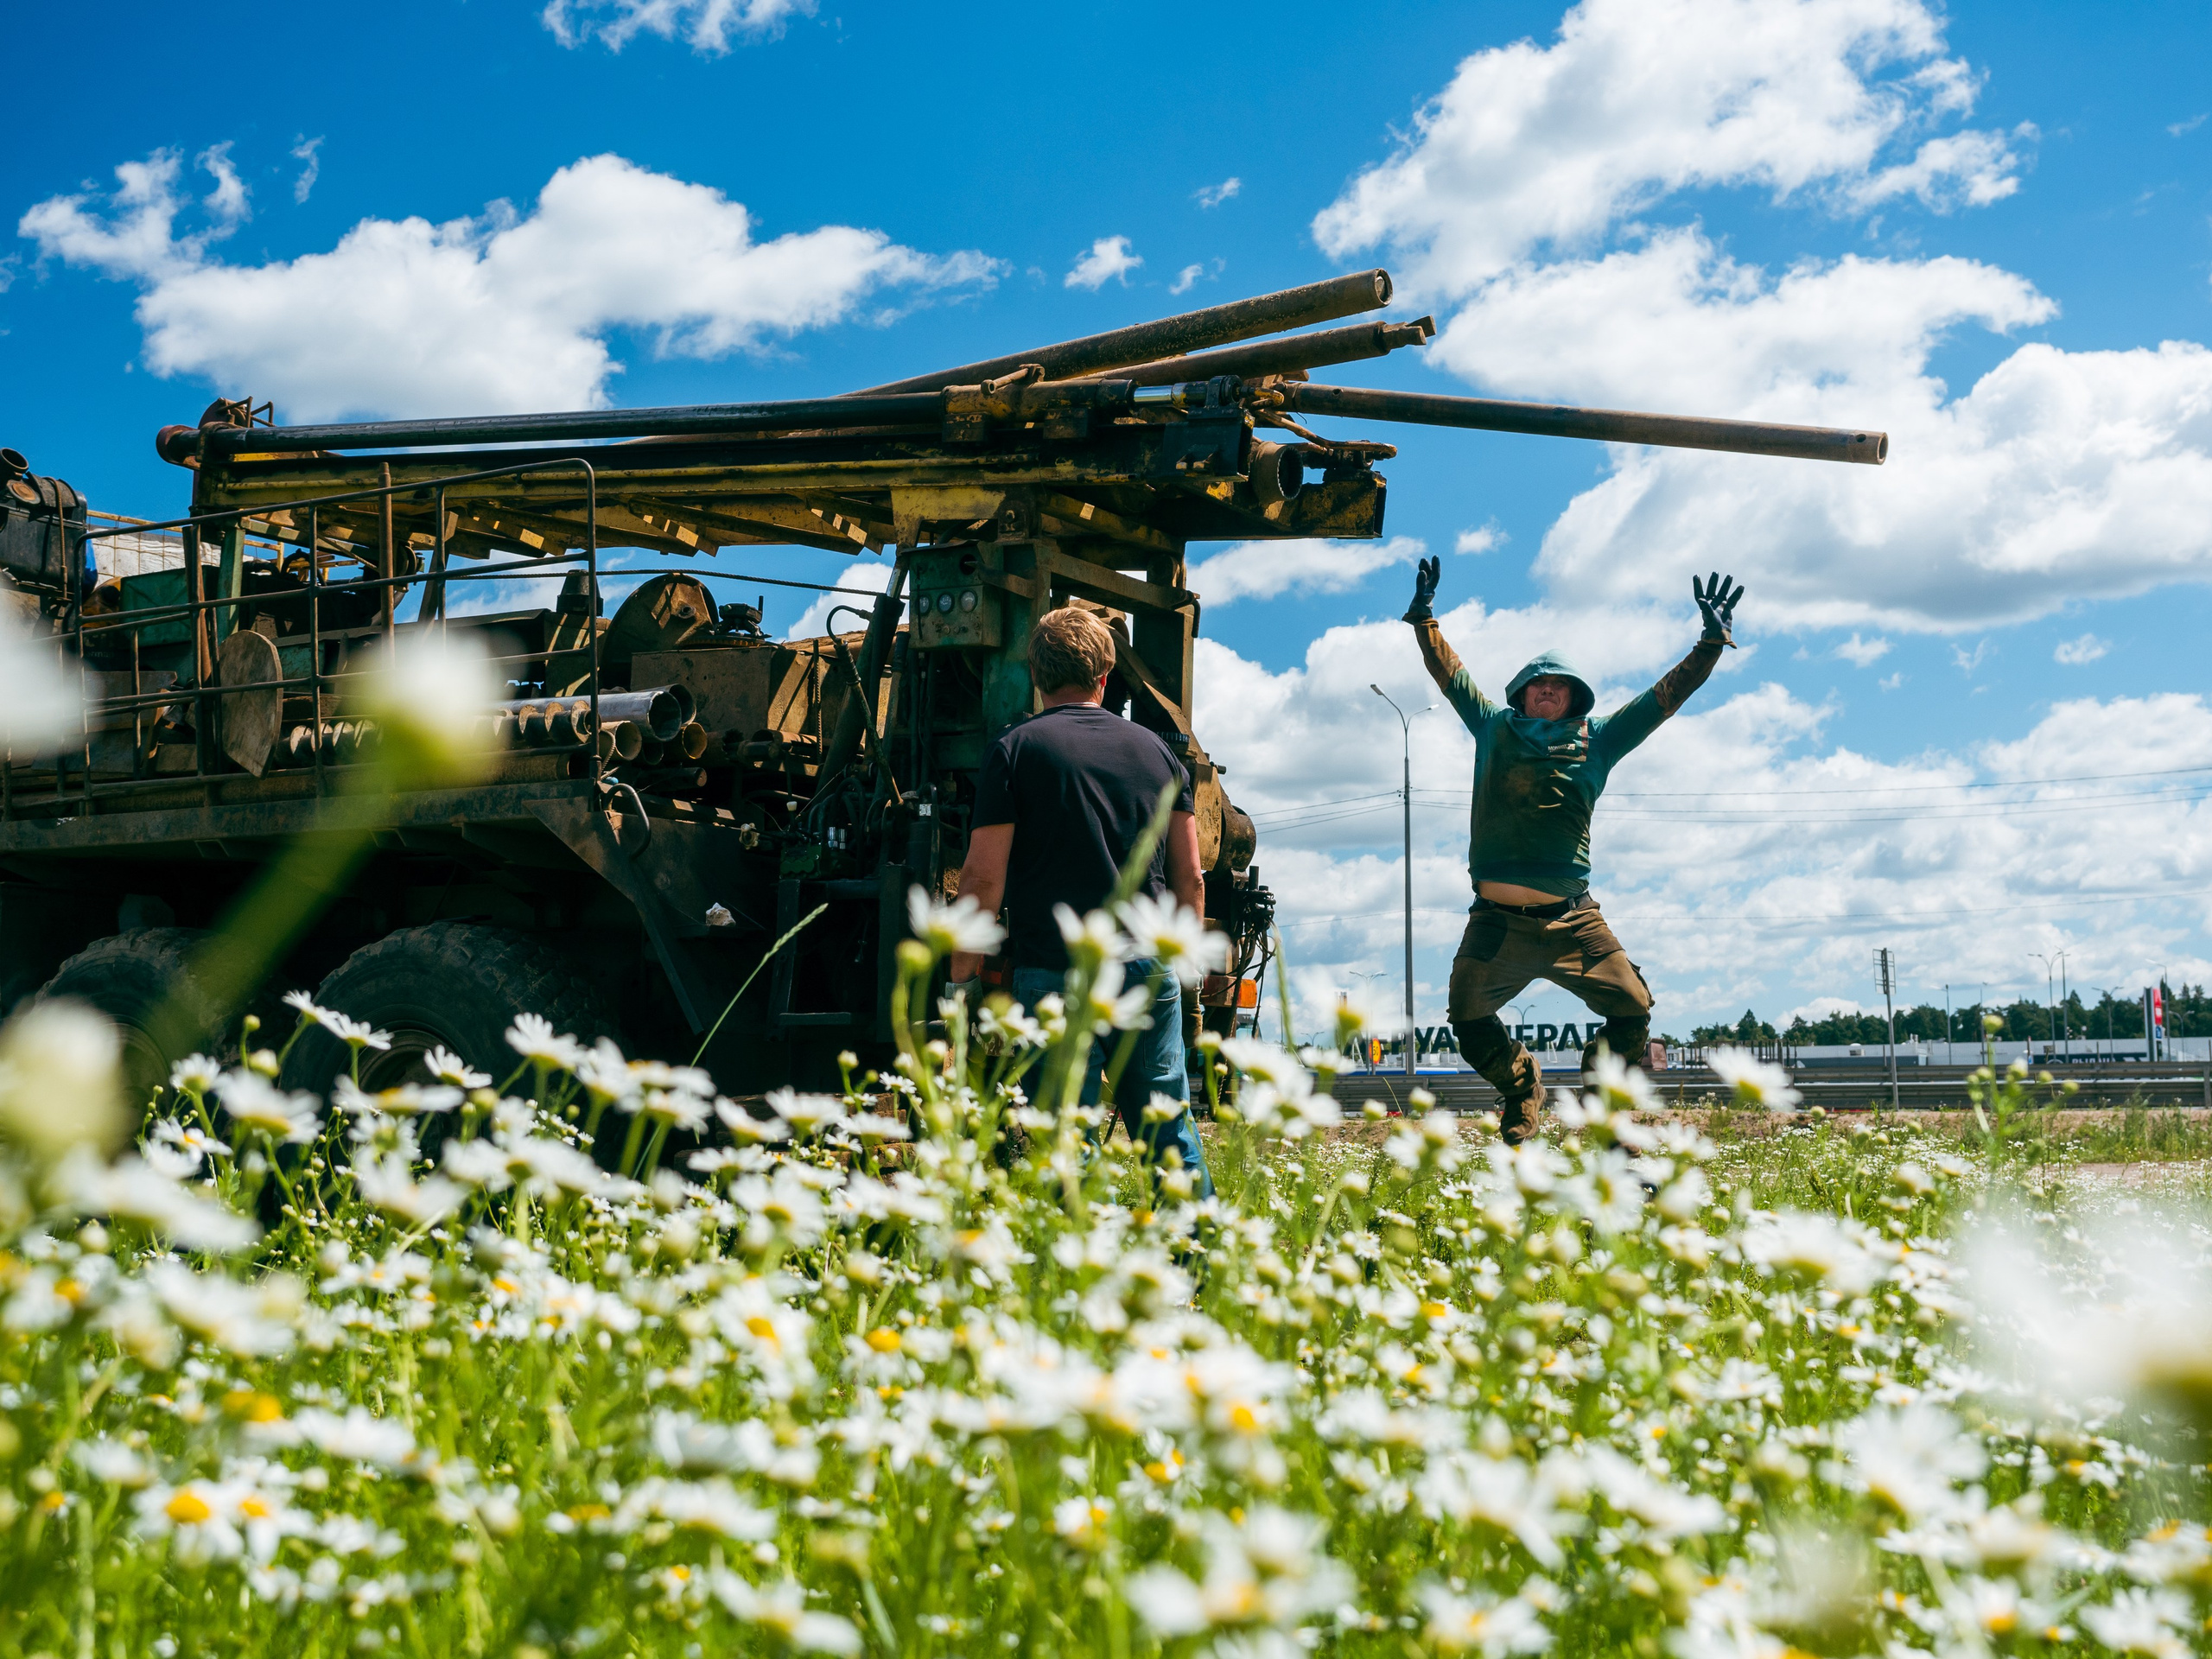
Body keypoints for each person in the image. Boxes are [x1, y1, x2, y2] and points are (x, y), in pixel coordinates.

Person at [1402, 560, 1745, 1143]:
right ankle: (1521, 1091)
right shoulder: (1493, 728)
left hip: (1572, 919)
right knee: (1466, 1014)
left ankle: (1601, 1109)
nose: (1550, 690)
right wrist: (1425, 620)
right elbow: (1450, 675)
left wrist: (1711, 642)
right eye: (1540, 683)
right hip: (1497, 922)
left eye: (1560, 686)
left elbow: (1666, 697)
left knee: (1633, 1007)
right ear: (1522, 692)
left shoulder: (1601, 739)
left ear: (1575, 699)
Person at [948, 606, 1214, 1194]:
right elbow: (1190, 877)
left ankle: (1074, 1269)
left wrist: (960, 982)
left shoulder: (1014, 750)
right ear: (1106, 673)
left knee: (1064, 1139)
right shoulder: (1159, 754)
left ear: (1036, 676)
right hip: (1145, 970)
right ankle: (1199, 1268)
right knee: (1169, 1131)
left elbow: (982, 881)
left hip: (1054, 973)